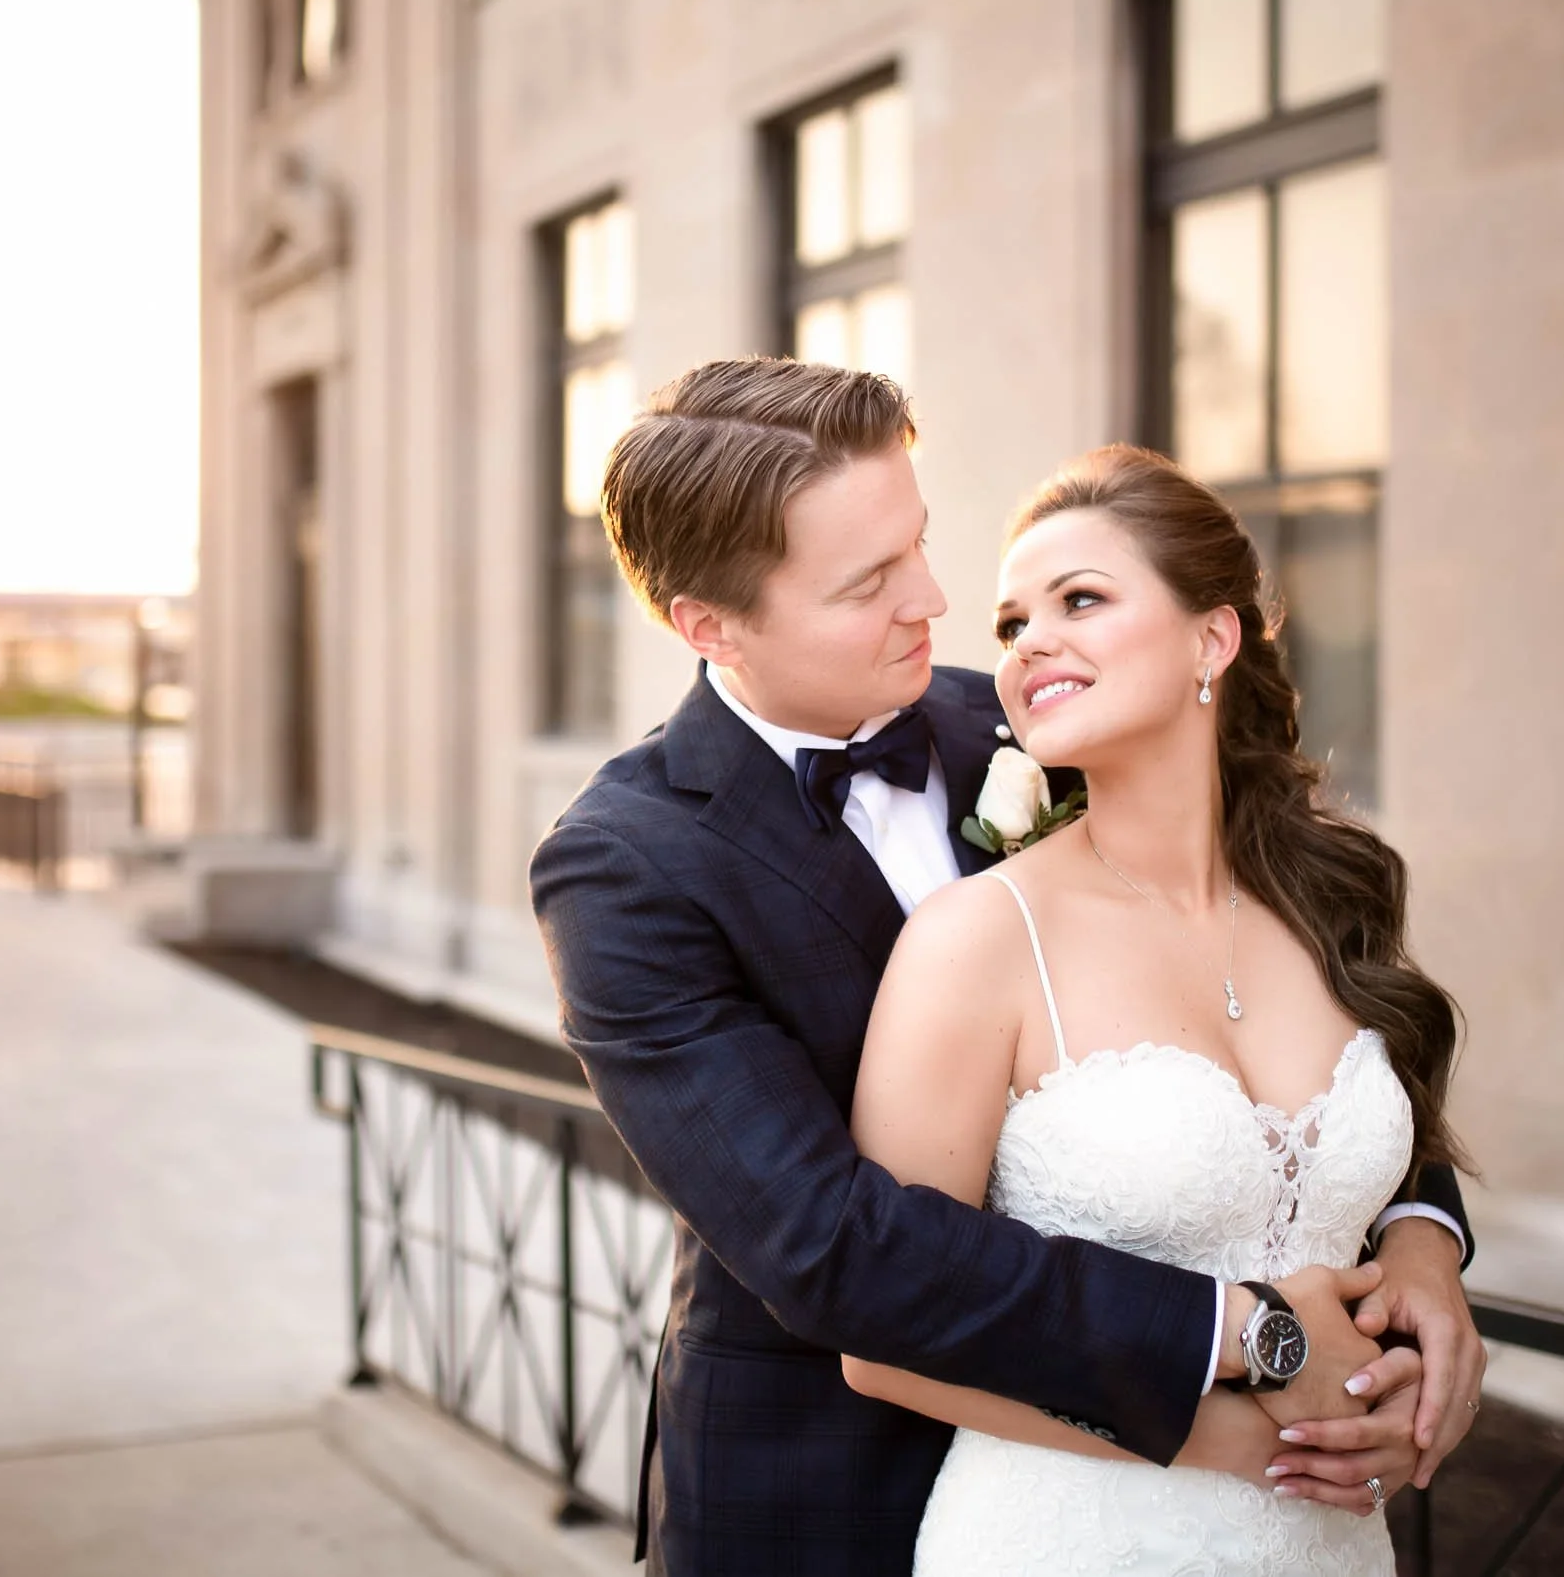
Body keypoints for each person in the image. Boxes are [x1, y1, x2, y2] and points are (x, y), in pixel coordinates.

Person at [529, 359, 1484, 1576]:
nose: (932, 599)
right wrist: (1247, 1343)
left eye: (917, 542)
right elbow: (833, 1244)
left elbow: (1309, 1026)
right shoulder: (625, 865)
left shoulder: (1039, 714)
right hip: (828, 1492)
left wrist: (1419, 1244)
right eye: (868, 582)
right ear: (709, 625)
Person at [839, 444, 1470, 1573]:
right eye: (1012, 621)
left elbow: (1385, 1177)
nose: (1030, 641)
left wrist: (1425, 1278)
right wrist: (1225, 1438)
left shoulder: (1335, 894)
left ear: (1210, 640)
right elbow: (886, 1336)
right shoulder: (977, 937)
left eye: (1080, 599)